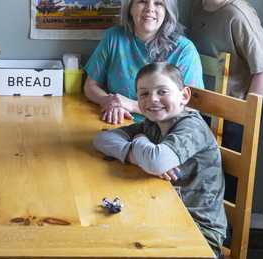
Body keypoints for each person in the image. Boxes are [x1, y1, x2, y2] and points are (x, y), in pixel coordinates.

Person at [93, 62, 227, 258]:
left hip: (198, 233)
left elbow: (157, 162)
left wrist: (139, 141)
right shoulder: (153, 124)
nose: (152, 99)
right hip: (162, 213)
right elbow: (102, 139)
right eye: (144, 93)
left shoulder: (191, 127)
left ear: (184, 96)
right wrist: (136, 155)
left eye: (162, 91)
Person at [84, 0, 204, 124]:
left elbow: (191, 108)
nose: (150, 9)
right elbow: (90, 86)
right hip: (118, 124)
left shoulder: (184, 50)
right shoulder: (113, 37)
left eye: (159, 3)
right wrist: (110, 101)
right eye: (142, 2)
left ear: (167, 11)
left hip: (166, 132)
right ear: (131, 9)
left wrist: (133, 105)